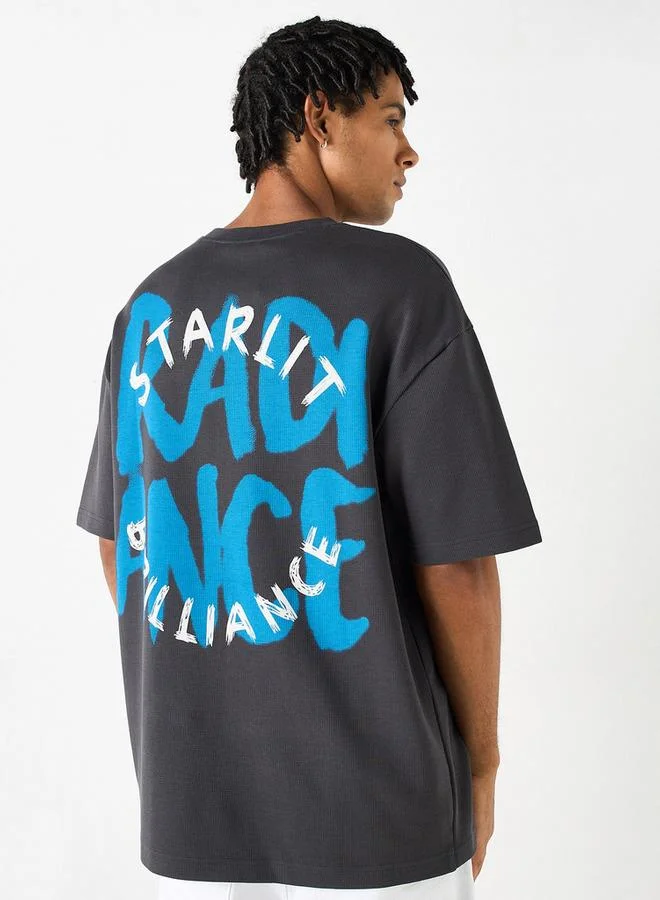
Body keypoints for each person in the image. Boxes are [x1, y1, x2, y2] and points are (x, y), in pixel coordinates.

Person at [75, 15, 542, 900]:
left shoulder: (149, 307)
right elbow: (456, 566)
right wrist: (482, 761)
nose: (409, 152)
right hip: (380, 819)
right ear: (320, 117)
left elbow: (118, 545)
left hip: (192, 815)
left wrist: (226, 656)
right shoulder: (402, 289)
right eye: (392, 119)